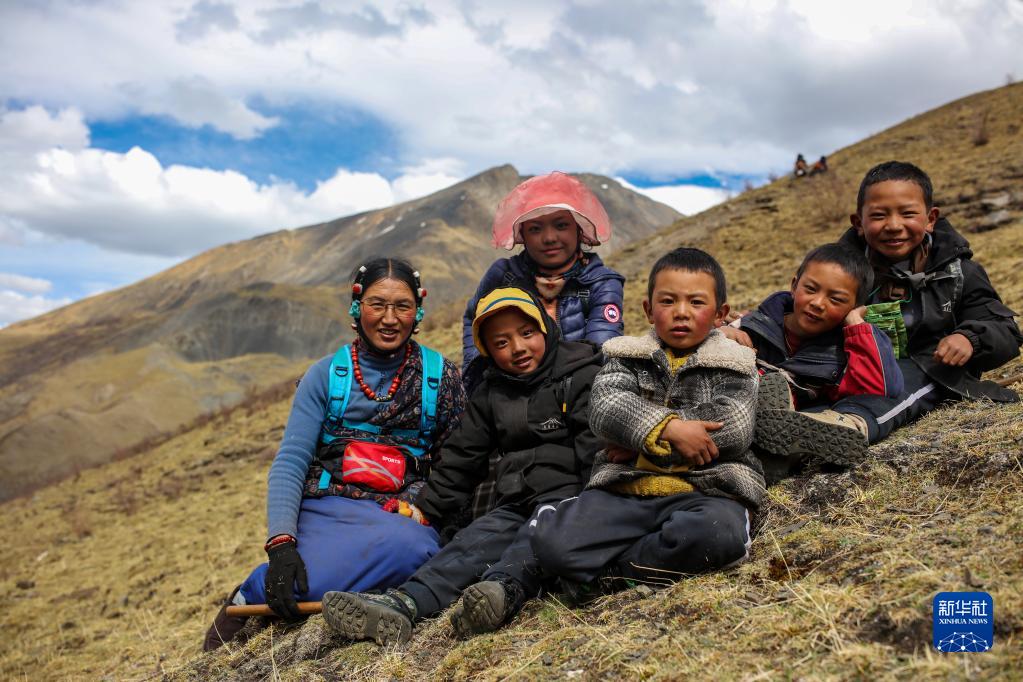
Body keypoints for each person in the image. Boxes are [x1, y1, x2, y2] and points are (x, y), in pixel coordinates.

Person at [202, 258, 466, 651]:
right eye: (377, 304)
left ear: (418, 311)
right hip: (326, 508)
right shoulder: (324, 375)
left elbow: (458, 462)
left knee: (416, 550)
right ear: (357, 307)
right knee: (297, 580)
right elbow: (291, 462)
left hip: (403, 514)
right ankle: (250, 593)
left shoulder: (442, 377)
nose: (389, 318)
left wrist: (434, 512)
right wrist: (281, 544)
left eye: (402, 306)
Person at [321, 287, 604, 645]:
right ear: (487, 351)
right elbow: (461, 458)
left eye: (527, 333)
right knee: (471, 543)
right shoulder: (491, 393)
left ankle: (501, 592)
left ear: (546, 328)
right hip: (516, 502)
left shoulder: (579, 374)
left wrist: (595, 506)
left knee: (534, 541)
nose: (518, 348)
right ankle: (404, 603)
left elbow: (596, 448)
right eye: (501, 343)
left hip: (568, 501)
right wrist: (426, 508)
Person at [531, 248, 764, 599]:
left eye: (696, 302)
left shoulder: (735, 362)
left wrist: (640, 444)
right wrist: (668, 429)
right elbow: (604, 407)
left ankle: (614, 573)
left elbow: (733, 426)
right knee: (553, 545)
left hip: (707, 490)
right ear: (648, 310)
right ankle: (631, 562)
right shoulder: (625, 356)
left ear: (720, 314)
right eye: (667, 301)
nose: (681, 312)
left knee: (720, 534)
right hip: (626, 488)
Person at [825, 161, 1021, 445]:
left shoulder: (960, 272)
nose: (894, 226)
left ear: (931, 218)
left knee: (906, 378)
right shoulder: (836, 272)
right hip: (847, 368)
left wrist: (969, 339)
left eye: (907, 214)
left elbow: (1004, 329)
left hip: (930, 371)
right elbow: (803, 312)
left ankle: (848, 425)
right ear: (858, 223)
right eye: (878, 215)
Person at [720, 243, 904, 478]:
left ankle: (774, 454)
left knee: (798, 409)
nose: (818, 303)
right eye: (811, 289)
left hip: (779, 423)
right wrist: (719, 335)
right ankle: (771, 449)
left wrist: (856, 324)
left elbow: (879, 388)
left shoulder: (841, 352)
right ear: (794, 286)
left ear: (855, 307)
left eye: (836, 299)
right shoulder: (753, 325)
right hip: (731, 411)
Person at [462, 172, 625, 392]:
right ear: (523, 234)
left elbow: (602, 351)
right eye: (535, 229)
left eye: (561, 225)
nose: (549, 238)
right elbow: (474, 319)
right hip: (509, 392)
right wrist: (478, 378)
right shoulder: (504, 275)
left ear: (578, 229)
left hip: (577, 395)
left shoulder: (601, 283)